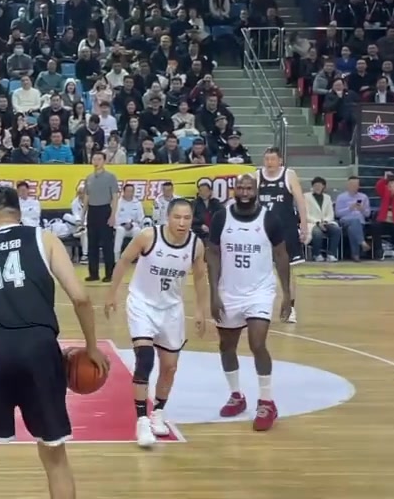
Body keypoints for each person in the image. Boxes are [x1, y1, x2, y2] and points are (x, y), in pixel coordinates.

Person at [0, 185, 110, 499]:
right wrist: (91, 347)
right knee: (54, 455)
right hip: (37, 348)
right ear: (19, 212)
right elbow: (81, 298)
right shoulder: (44, 239)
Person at [105, 198, 208, 447]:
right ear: (167, 217)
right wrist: (111, 294)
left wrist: (200, 311)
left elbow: (200, 277)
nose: (182, 222)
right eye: (177, 217)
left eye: (187, 218)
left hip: (171, 309)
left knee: (169, 367)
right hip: (142, 304)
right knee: (145, 359)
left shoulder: (196, 245)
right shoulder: (148, 237)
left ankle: (158, 412)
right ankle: (141, 420)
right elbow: (123, 261)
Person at [207, 174, 292, 432]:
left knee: (257, 344)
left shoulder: (269, 219)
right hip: (229, 291)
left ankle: (266, 401)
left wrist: (287, 294)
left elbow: (281, 255)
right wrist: (213, 293)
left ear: (256, 191)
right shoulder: (221, 217)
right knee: (226, 346)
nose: (244, 192)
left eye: (249, 188)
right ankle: (236, 395)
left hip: (260, 292)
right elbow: (212, 253)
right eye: (240, 188)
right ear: (234, 190)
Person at [255, 147, 308, 323]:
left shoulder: (288, 175)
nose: (269, 162)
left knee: (288, 271)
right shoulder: (257, 176)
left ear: (280, 161)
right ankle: (258, 307)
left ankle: (290, 307)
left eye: (272, 159)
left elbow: (300, 202)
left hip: (286, 230)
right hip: (263, 230)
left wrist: (304, 225)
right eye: (266, 159)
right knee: (259, 271)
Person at [82, 151, 119, 282]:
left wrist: (113, 215)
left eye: (99, 159)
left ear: (104, 161)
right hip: (92, 211)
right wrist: (83, 214)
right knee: (92, 244)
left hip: (105, 210)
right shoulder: (89, 178)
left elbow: (115, 197)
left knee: (107, 244)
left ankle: (109, 273)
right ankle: (93, 273)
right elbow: (86, 196)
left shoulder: (110, 177)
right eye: (94, 159)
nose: (96, 162)